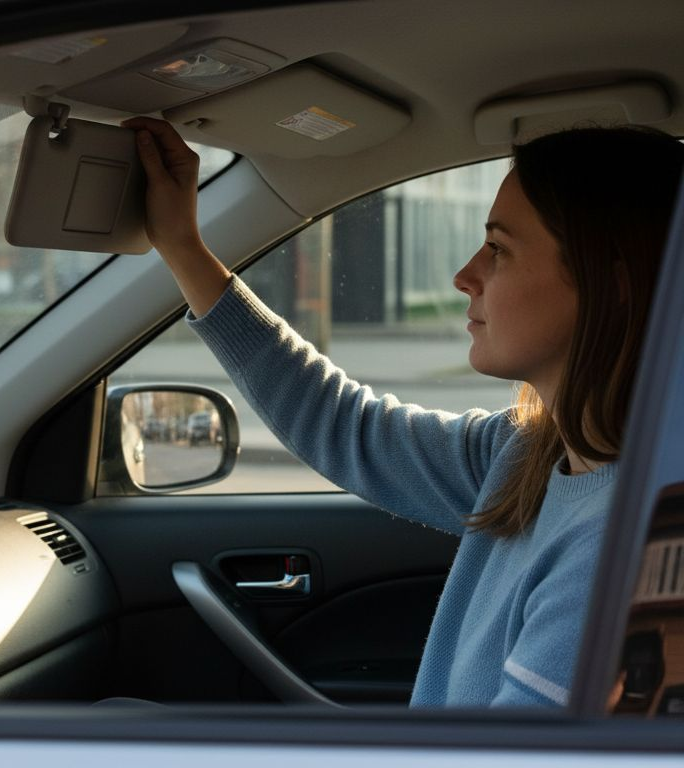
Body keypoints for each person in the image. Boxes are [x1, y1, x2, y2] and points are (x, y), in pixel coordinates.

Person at [123, 115, 684, 707]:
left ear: (612, 284)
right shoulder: (529, 452)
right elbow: (345, 426)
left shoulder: (617, 546)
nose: (465, 275)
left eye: (499, 248)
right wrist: (183, 247)